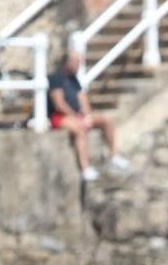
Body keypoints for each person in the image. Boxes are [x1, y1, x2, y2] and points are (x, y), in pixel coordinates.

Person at [47, 48, 131, 183]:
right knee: (80, 129)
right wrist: (77, 116)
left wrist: (87, 115)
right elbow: (59, 104)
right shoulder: (55, 78)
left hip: (77, 115)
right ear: (67, 62)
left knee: (105, 119)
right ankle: (85, 169)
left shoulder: (75, 80)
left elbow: (83, 99)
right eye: (76, 62)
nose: (79, 65)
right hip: (59, 116)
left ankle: (114, 155)